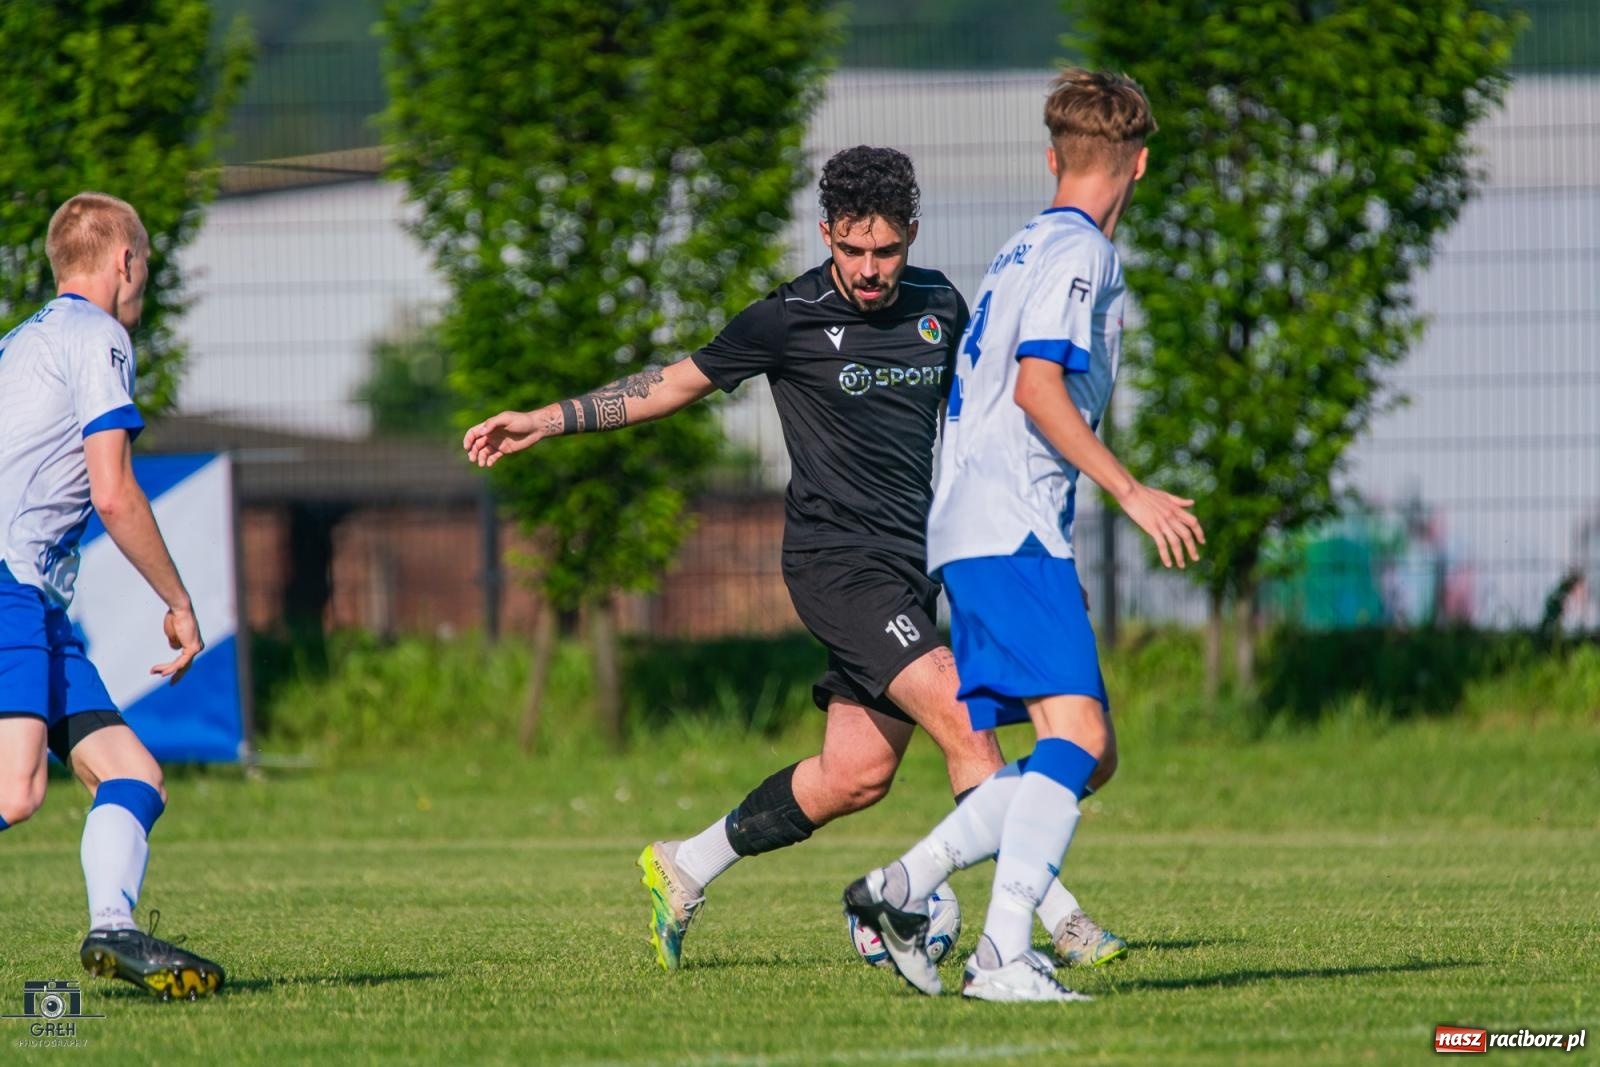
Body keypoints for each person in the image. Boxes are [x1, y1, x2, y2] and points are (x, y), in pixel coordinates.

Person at [464, 145, 1125, 973]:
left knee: (854, 775)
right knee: (965, 720)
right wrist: (546, 419)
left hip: (916, 568)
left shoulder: (941, 304)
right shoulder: (789, 315)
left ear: (912, 235)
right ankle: (1053, 919)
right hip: (835, 565)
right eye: (853, 250)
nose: (871, 269)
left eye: (887, 250)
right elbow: (672, 383)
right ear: (827, 235)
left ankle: (684, 863)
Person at [842, 70, 1204, 1002]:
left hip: (972, 527)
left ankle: (901, 886)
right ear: (1141, 165)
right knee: (1076, 733)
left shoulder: (1024, 244)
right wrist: (1131, 490)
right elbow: (1041, 386)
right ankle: (1004, 953)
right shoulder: (1085, 253)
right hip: (1010, 527)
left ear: (1054, 159)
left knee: (1086, 748)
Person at [0, 193, 225, 999]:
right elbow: (114, 492)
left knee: (133, 772)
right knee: (16, 789)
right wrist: (179, 599)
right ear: (124, 261)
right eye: (145, 269)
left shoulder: (20, 340)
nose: (142, 287)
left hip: (32, 594)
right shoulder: (100, 336)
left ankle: (115, 927)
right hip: (9, 581)